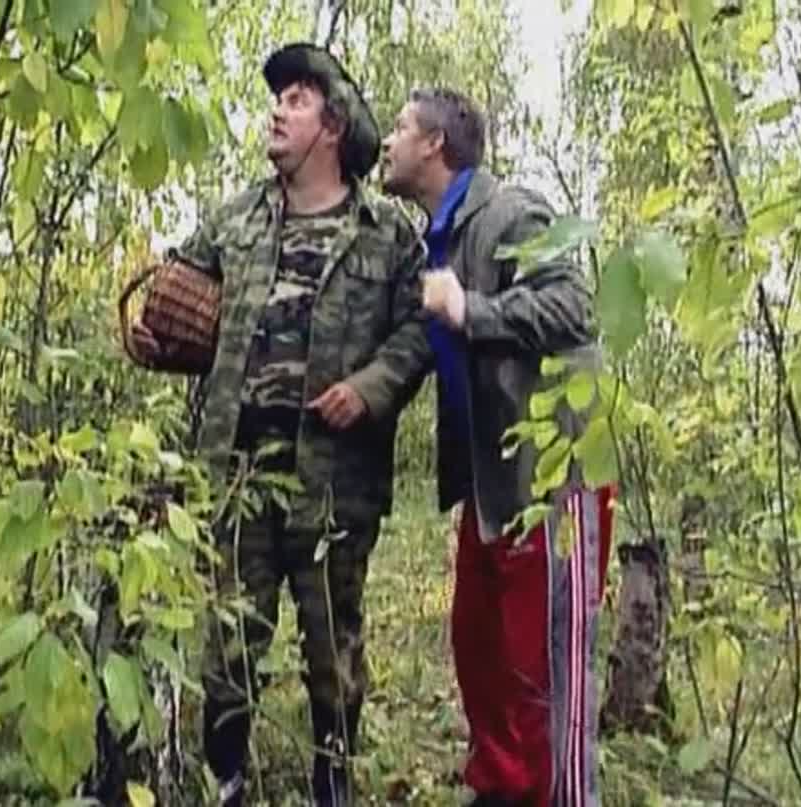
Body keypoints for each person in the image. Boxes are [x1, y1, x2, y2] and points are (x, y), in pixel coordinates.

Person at [128, 43, 428, 806]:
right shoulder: (236, 218)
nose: (276, 111)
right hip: (237, 476)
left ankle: (332, 783)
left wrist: (369, 388)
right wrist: (152, 337)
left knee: (333, 650)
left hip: (336, 484)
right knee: (229, 646)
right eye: (277, 98)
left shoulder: (386, 233)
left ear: (332, 125)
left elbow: (421, 332)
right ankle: (225, 780)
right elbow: (177, 295)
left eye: (296, 100)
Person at [380, 87, 614, 807]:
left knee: (546, 671)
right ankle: (502, 793)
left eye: (400, 127)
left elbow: (574, 306)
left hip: (552, 482)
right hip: (491, 484)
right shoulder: (438, 238)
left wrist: (470, 308)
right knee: (481, 653)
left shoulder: (511, 211)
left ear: (434, 145)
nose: (387, 140)